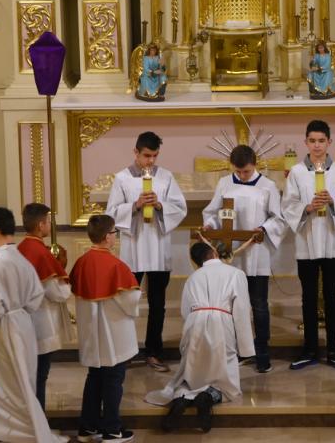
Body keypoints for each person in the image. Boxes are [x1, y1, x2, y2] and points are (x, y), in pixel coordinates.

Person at [0, 208, 63, 442]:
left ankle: (22, 432)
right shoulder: (21, 258)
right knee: (16, 380)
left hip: (6, 326)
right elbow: (36, 295)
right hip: (23, 324)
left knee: (7, 382)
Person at [145, 242, 254, 433]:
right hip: (222, 322)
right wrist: (245, 347)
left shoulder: (193, 277)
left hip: (195, 322)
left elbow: (186, 310)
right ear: (214, 253)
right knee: (227, 381)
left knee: (190, 373)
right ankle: (209, 397)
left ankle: (180, 399)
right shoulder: (235, 274)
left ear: (196, 261)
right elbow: (242, 310)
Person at [105, 131, 187, 372]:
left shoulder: (166, 177)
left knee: (158, 304)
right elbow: (111, 213)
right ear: (136, 152)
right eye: (146, 155)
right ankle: (126, 351)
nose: (150, 161)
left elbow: (179, 207)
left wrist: (160, 204)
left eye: (154, 156)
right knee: (127, 303)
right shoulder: (122, 178)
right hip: (133, 250)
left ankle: (154, 352)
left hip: (159, 249)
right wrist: (136, 205)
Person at [201, 144, 285, 373]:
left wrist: (264, 228)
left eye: (246, 171)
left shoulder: (267, 186)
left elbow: (278, 218)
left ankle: (262, 352)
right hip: (231, 253)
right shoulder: (224, 183)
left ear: (255, 165)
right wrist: (210, 225)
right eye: (237, 171)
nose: (242, 175)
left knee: (259, 304)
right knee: (233, 304)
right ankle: (238, 351)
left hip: (257, 252)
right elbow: (213, 212)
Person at [282, 120, 335, 371]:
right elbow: (288, 204)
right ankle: (310, 349)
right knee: (309, 296)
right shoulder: (296, 172)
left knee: (332, 295)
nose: (317, 145)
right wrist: (307, 207)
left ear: (329, 142)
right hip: (306, 242)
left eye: (321, 141)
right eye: (312, 141)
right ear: (306, 142)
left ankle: (334, 350)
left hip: (332, 243)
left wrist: (333, 202)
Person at [70, 214, 140, 443]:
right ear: (106, 236)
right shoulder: (115, 265)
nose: (115, 237)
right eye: (114, 233)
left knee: (94, 379)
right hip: (113, 334)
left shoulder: (81, 262)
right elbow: (129, 300)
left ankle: (88, 427)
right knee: (113, 381)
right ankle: (112, 430)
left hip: (91, 333)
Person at [18, 202, 74, 409]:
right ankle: (38, 419)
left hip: (24, 320)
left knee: (30, 375)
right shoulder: (40, 253)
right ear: (40, 225)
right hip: (41, 321)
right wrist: (64, 274)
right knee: (39, 376)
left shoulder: (21, 247)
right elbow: (56, 293)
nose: (50, 225)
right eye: (48, 221)